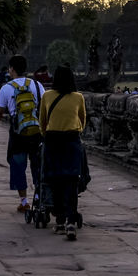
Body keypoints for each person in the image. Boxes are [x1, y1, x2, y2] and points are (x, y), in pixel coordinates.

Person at [0, 55, 44, 213]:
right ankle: (38, 197)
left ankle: (24, 201)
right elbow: (44, 109)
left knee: (18, 166)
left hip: (18, 133)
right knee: (38, 165)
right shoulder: (38, 86)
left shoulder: (6, 88)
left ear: (11, 69)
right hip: (37, 131)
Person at [41, 66, 88, 240]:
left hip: (53, 140)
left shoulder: (47, 96)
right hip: (71, 140)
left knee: (55, 180)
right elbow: (82, 120)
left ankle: (59, 220)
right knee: (72, 181)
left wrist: (49, 135)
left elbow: (42, 122)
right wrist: (74, 131)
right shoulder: (78, 97)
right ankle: (70, 221)